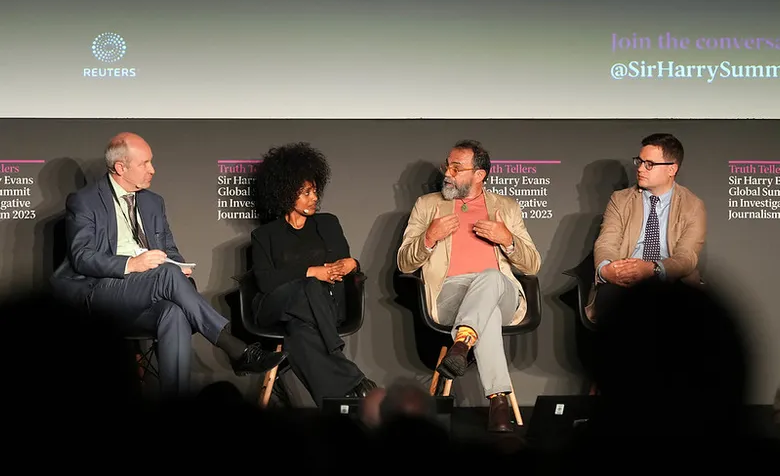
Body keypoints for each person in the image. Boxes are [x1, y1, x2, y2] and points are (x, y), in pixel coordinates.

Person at [50, 132, 286, 399]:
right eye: (145, 163)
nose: (152, 169)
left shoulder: (153, 202)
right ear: (121, 167)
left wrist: (177, 264)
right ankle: (234, 348)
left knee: (173, 312)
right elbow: (82, 257)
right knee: (168, 276)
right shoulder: (85, 201)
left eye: (152, 162)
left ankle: (175, 406)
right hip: (101, 291)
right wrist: (132, 263)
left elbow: (168, 249)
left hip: (148, 290)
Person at [397, 139, 541, 432]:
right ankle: (498, 402)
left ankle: (462, 343)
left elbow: (532, 265)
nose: (447, 173)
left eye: (456, 167)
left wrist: (507, 240)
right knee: (483, 314)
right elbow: (404, 263)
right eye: (447, 165)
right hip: (451, 295)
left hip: (502, 292)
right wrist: (429, 237)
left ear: (479, 175)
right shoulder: (428, 206)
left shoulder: (505, 208)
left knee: (489, 278)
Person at [250, 142, 376, 406]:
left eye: (315, 191)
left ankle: (334, 406)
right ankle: (340, 358)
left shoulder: (328, 224)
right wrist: (312, 272)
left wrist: (352, 263)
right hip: (274, 306)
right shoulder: (265, 235)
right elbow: (264, 281)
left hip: (320, 310)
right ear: (285, 194)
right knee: (309, 285)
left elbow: (342, 265)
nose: (314, 197)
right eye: (306, 192)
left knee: (299, 334)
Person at [587, 133, 707, 322]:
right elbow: (606, 242)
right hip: (624, 281)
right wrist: (606, 270)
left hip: (670, 282)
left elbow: (687, 257)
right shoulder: (620, 199)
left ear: (672, 169)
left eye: (649, 164)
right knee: (616, 304)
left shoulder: (693, 206)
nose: (641, 169)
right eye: (639, 162)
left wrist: (653, 269)